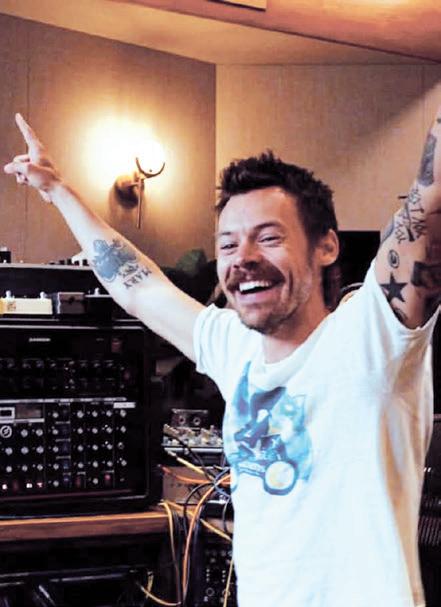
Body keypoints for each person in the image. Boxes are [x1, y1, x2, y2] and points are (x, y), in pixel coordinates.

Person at [4, 110, 441, 607]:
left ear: (326, 247)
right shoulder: (235, 346)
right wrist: (57, 189)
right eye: (228, 244)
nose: (243, 258)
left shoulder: (372, 336)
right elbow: (138, 285)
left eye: (269, 237)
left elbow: (427, 208)